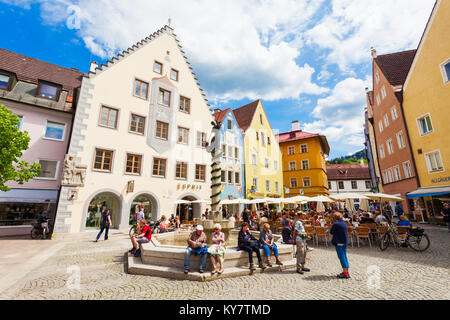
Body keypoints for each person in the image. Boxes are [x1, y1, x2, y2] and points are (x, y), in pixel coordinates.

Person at [330, 212, 350, 279]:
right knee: (344, 256)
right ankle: (346, 271)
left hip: (339, 242)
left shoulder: (336, 224)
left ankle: (345, 273)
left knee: (341, 257)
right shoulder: (344, 223)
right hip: (344, 241)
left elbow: (331, 232)